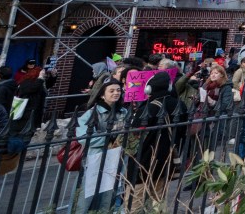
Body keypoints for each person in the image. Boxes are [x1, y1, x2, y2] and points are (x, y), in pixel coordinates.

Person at [125, 72, 183, 213]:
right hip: (164, 158)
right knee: (158, 199)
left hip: (143, 160)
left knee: (134, 202)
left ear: (149, 89)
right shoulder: (179, 105)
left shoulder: (149, 107)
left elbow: (134, 136)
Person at [75, 79, 129, 214]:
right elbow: (83, 137)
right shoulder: (92, 113)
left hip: (116, 158)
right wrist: (109, 136)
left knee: (109, 192)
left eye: (118, 90)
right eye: (111, 91)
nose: (116, 93)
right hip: (95, 158)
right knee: (88, 194)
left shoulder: (123, 111)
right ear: (102, 94)